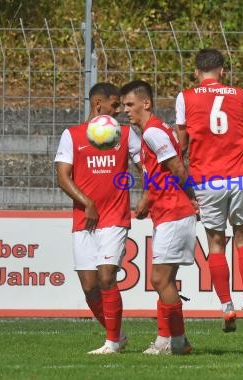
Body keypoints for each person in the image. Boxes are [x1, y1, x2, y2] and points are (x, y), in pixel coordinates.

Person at [175, 48, 243, 333]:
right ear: (223, 72)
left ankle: (227, 306)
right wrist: (237, 132)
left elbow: (181, 143)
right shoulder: (239, 94)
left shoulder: (185, 97)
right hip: (242, 177)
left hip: (207, 180)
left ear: (196, 72)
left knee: (216, 243)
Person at [54, 82, 141, 354]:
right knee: (90, 287)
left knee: (106, 278)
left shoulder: (126, 134)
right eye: (114, 105)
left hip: (115, 217)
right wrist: (87, 202)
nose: (118, 111)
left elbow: (147, 167)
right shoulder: (73, 135)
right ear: (98, 104)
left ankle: (112, 343)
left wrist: (149, 195)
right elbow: (62, 176)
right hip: (84, 221)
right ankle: (118, 335)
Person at [120, 80, 196, 355]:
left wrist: (192, 196)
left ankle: (178, 342)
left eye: (130, 104)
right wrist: (147, 199)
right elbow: (160, 173)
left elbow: (177, 167)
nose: (126, 110)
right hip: (168, 211)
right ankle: (166, 339)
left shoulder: (153, 132)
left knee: (159, 280)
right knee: (166, 280)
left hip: (173, 212)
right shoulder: (154, 131)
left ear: (146, 103)